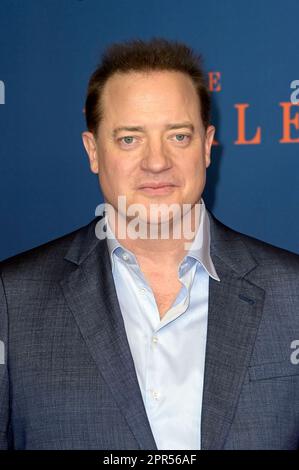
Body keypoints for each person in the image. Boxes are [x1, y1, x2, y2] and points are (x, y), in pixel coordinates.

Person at [0, 38, 299, 450]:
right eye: (129, 139)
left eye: (178, 136)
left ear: (207, 146)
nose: (157, 162)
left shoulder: (293, 294)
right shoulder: (12, 302)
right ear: (93, 152)